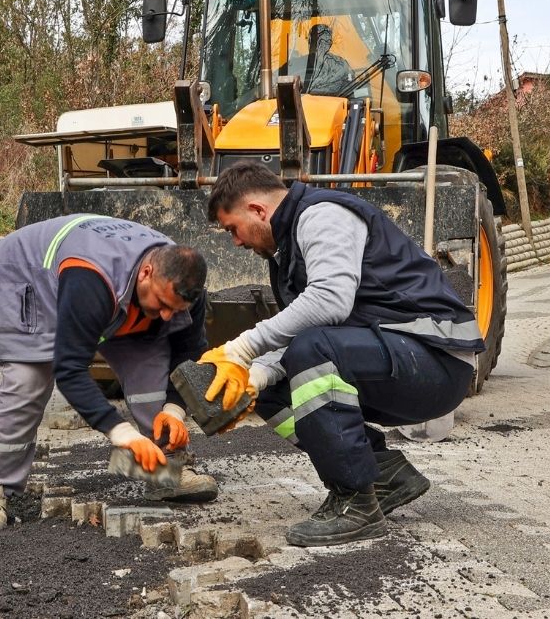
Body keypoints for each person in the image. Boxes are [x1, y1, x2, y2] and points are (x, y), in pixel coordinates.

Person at [199, 163, 485, 547]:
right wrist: (253, 377)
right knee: (267, 388)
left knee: (313, 350)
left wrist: (241, 348)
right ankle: (381, 475)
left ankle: (355, 503)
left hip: (437, 362)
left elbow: (329, 302)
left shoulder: (322, 216)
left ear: (257, 210)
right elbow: (304, 327)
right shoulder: (287, 249)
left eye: (233, 228)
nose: (235, 242)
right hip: (394, 355)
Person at [0, 214, 218, 530]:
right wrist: (122, 433)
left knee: (150, 371)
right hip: (25, 277)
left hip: (110, 289)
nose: (168, 315)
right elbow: (70, 368)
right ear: (146, 273)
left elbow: (188, 352)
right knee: (28, 380)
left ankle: (166, 473)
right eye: (162, 303)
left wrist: (174, 411)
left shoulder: (184, 283)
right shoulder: (90, 278)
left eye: (176, 309)